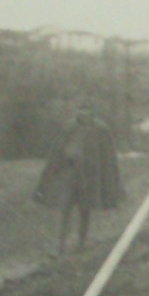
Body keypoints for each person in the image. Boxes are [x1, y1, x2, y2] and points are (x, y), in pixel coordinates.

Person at [33, 101, 124, 254]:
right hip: (70, 174)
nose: (83, 113)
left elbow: (108, 158)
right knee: (66, 208)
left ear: (92, 111)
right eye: (80, 109)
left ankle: (81, 243)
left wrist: (109, 180)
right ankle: (60, 245)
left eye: (86, 109)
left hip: (89, 177)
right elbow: (58, 150)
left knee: (85, 210)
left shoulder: (101, 129)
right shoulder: (69, 127)